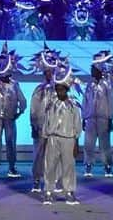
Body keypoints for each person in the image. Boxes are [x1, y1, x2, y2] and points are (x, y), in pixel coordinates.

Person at [41, 61, 81, 206]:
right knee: (50, 165)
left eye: (62, 89)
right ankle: (48, 191)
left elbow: (77, 124)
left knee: (68, 166)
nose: (59, 92)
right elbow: (47, 122)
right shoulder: (51, 104)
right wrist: (45, 138)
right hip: (53, 138)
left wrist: (76, 142)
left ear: (66, 90)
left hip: (68, 139)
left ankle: (69, 192)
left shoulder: (73, 106)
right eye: (57, 89)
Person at [0, 43, 27, 179]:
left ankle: (12, 166)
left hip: (10, 118)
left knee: (10, 141)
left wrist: (19, 112)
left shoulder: (14, 85)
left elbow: (22, 100)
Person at [28, 45, 60, 194]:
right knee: (39, 155)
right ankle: (36, 180)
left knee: (55, 156)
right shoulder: (39, 90)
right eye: (47, 72)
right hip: (40, 127)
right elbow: (33, 109)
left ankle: (54, 181)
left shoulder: (59, 90)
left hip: (55, 129)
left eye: (51, 72)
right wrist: (33, 125)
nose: (49, 74)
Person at [82, 50, 113, 177]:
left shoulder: (107, 85)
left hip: (103, 118)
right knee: (88, 144)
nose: (91, 71)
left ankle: (107, 166)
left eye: (93, 69)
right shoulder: (89, 85)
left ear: (98, 70)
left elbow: (111, 102)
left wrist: (110, 118)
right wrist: (83, 117)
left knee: (105, 144)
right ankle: (88, 165)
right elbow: (85, 101)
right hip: (90, 118)